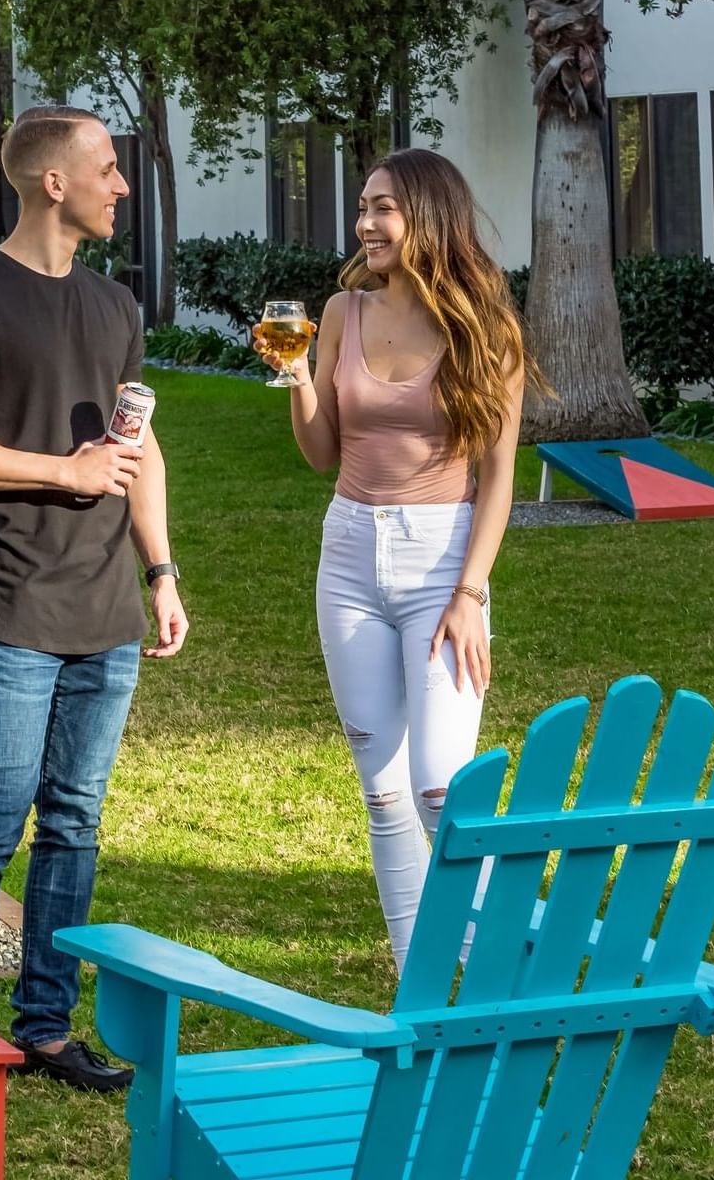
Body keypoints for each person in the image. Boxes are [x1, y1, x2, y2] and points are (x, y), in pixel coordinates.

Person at [0, 105, 189, 1133]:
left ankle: (44, 1027)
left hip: (109, 607)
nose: (122, 185)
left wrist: (160, 569)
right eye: (107, 169)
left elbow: (139, 444)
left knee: (75, 821)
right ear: (52, 183)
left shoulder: (116, 305)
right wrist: (59, 471)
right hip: (18, 601)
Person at [263, 147, 537, 973]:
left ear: (428, 215)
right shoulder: (342, 313)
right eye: (361, 209)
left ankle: (493, 953)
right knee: (381, 792)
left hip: (441, 559)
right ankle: (419, 978)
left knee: (437, 787)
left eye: (382, 208)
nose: (364, 224)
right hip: (347, 554)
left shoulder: (486, 326)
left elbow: (498, 477)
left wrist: (469, 592)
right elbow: (319, 453)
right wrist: (294, 377)